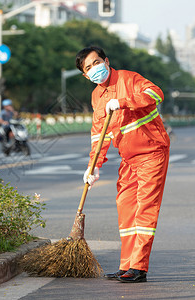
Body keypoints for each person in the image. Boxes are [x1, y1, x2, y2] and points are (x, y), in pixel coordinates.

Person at [76, 46, 170, 283]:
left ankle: (139, 267)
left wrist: (123, 102)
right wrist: (94, 166)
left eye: (96, 62)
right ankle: (126, 265)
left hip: (152, 152)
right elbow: (99, 134)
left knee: (144, 208)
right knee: (125, 207)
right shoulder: (97, 96)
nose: (94, 69)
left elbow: (156, 94)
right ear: (86, 76)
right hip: (129, 159)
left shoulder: (129, 78)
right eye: (89, 68)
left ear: (106, 61)